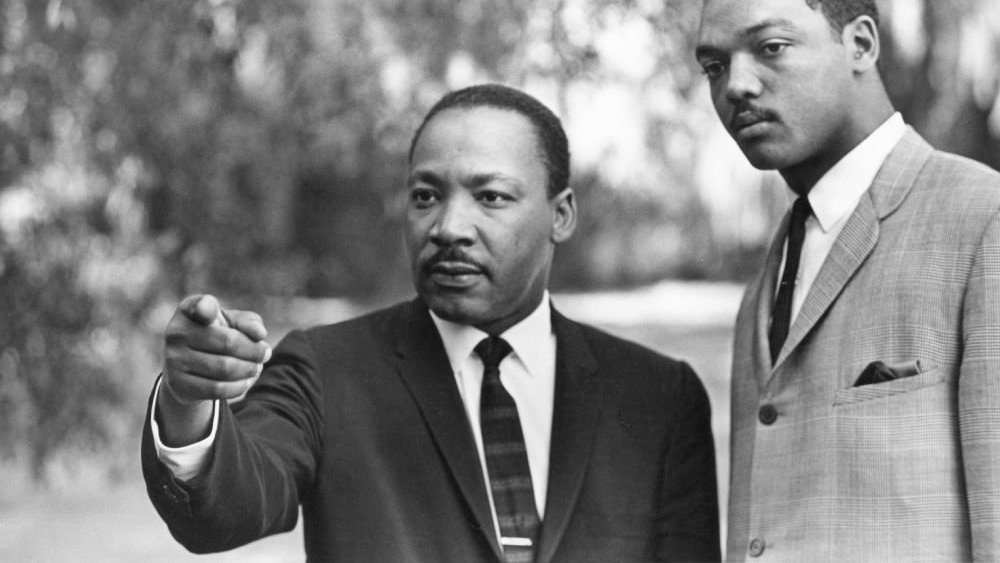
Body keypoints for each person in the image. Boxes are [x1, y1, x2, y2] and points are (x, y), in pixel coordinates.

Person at [141, 83, 721, 562]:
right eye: (426, 196)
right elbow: (224, 510)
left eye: (490, 197)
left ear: (561, 215)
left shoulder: (659, 398)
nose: (448, 227)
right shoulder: (326, 371)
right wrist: (188, 402)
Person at [695, 0, 1000, 561]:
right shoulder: (767, 282)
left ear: (860, 43)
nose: (736, 85)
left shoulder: (982, 221)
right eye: (714, 66)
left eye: (771, 48)